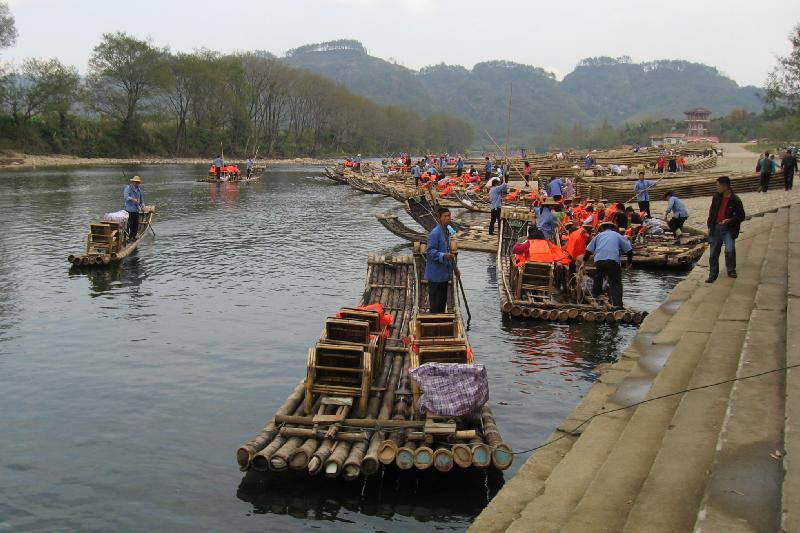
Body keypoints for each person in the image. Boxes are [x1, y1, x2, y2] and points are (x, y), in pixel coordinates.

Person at [582, 222, 633, 308]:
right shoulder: (617, 235)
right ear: (613, 228)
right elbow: (629, 250)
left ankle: (595, 295)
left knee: (599, 277)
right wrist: (629, 262)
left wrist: (584, 262)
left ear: (603, 229)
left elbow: (588, 250)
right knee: (615, 282)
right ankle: (617, 304)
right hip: (612, 259)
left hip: (599, 259)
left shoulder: (598, 236)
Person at [706, 176, 746, 282]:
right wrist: (710, 226)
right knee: (714, 253)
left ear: (725, 186)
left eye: (718, 186)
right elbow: (712, 213)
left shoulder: (735, 200)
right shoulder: (716, 197)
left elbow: (741, 216)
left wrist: (730, 220)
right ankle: (712, 274)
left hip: (728, 229)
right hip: (716, 227)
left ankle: (731, 270)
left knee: (729, 250)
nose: (717, 187)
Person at [425, 207, 456, 313]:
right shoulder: (435, 233)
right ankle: (434, 323)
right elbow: (429, 252)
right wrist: (443, 255)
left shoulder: (446, 231)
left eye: (449, 216)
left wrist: (455, 268)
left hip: (444, 275)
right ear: (439, 218)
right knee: (436, 305)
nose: (448, 218)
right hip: (435, 275)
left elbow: (448, 249)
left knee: (442, 303)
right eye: (445, 216)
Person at [123, 176, 145, 241]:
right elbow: (126, 197)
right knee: (130, 224)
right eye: (135, 182)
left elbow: (142, 200)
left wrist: (143, 206)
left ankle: (134, 236)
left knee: (136, 224)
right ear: (132, 182)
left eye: (138, 182)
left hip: (136, 210)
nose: (137, 183)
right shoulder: (128, 188)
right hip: (129, 210)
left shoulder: (139, 190)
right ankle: (130, 237)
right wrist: (133, 199)